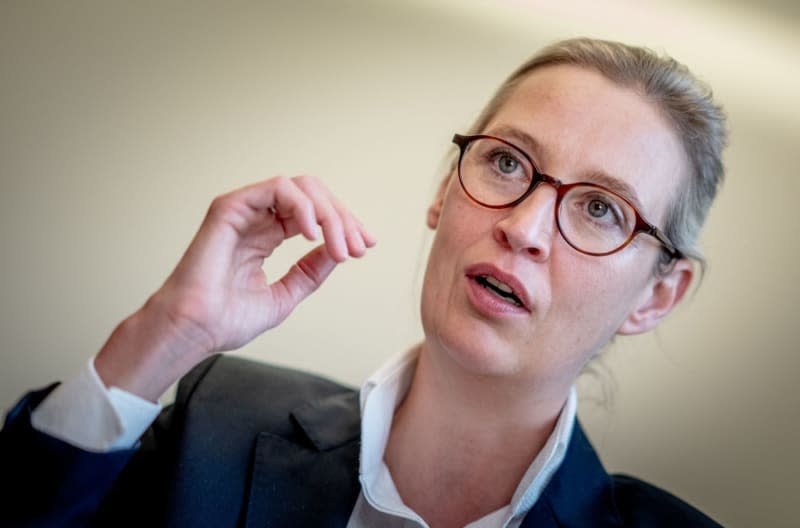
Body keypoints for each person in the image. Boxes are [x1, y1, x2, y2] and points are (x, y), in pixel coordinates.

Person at [1, 37, 726, 527]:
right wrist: (165, 334)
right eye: (507, 162)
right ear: (446, 191)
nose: (525, 228)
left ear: (658, 295)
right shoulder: (215, 423)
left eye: (601, 208)